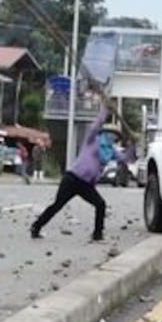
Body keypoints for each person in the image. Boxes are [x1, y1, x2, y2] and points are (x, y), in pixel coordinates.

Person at [31, 102, 136, 242]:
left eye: (115, 135)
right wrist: (105, 111)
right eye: (110, 133)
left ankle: (97, 235)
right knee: (57, 205)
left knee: (100, 204)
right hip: (72, 178)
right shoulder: (92, 140)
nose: (112, 137)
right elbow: (94, 127)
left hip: (87, 185)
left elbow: (125, 159)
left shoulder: (111, 151)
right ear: (103, 133)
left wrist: (133, 146)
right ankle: (36, 227)